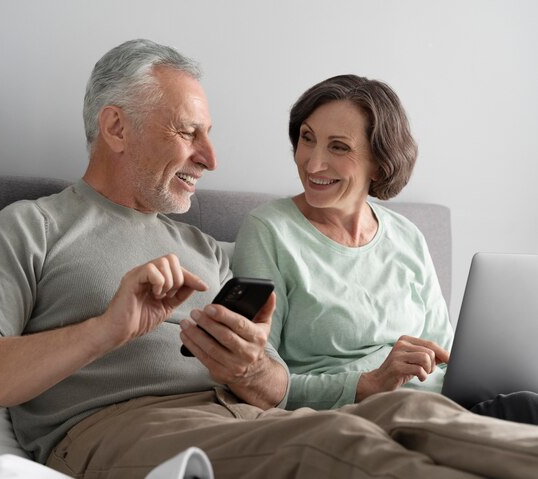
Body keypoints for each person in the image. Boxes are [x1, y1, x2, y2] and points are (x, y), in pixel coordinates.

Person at [0, 40, 538, 479]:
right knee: (339, 440)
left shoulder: (207, 249)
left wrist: (249, 363)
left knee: (414, 410)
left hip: (239, 415)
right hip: (117, 430)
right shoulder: (34, 227)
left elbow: (274, 380)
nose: (212, 158)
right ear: (117, 127)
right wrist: (103, 332)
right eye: (190, 133)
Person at [231, 74, 538, 423]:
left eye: (338, 146)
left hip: (444, 406)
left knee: (526, 401)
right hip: (365, 415)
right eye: (307, 138)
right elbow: (259, 376)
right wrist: (371, 382)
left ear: (379, 162)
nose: (313, 164)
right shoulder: (269, 230)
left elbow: (448, 357)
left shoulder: (407, 236)